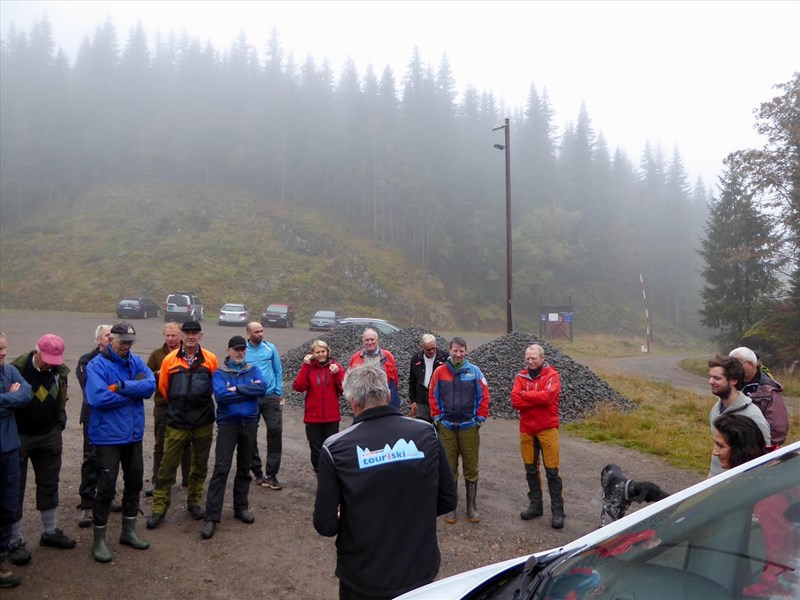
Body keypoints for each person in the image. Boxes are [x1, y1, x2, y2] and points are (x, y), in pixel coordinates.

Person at [313, 365, 457, 600]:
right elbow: (448, 498)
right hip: (419, 568)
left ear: (351, 401)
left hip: (364, 575)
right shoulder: (426, 432)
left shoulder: (336, 447)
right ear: (389, 395)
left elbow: (325, 524)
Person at [85, 322, 155, 562]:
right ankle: (100, 540)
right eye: (122, 341)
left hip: (133, 435)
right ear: (111, 340)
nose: (126, 346)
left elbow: (150, 386)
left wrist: (122, 387)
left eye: (129, 342)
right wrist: (132, 394)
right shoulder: (97, 365)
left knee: (134, 482)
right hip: (108, 437)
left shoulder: (135, 361)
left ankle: (128, 531)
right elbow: (97, 397)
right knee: (105, 488)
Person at [8, 334, 75, 566]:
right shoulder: (16, 369)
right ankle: (14, 540)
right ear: (36, 352)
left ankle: (49, 531)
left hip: (49, 435)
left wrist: (59, 423)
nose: (50, 364)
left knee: (49, 482)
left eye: (54, 360)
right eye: (46, 359)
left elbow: (62, 398)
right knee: (14, 488)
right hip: (20, 436)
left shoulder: (59, 371)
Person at [147, 320, 218, 529]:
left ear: (200, 336)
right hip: (177, 421)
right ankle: (159, 508)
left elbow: (214, 386)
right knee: (167, 465)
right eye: (187, 333)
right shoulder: (169, 361)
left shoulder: (210, 359)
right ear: (182, 335)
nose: (190, 336)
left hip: (203, 421)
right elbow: (164, 388)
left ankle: (194, 503)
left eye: (194, 333)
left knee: (199, 465)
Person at [202, 336, 266, 540]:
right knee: (221, 468)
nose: (240, 352)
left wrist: (237, 389)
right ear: (228, 350)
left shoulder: (252, 370)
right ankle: (212, 517)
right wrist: (248, 392)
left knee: (244, 467)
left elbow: (262, 388)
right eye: (236, 349)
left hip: (249, 423)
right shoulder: (220, 373)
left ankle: (241, 508)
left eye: (242, 349)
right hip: (228, 423)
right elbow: (221, 396)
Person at [429, 336, 490, 524]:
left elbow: (484, 396)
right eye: (455, 350)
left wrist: (479, 420)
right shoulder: (439, 372)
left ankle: (471, 506)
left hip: (468, 427)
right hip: (446, 427)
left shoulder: (475, 372)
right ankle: (451, 505)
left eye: (461, 351)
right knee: (449, 467)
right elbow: (432, 395)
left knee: (471, 467)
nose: (458, 354)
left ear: (466, 351)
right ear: (449, 350)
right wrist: (437, 418)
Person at [510, 344, 566, 529]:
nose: (530, 361)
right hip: (527, 429)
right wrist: (534, 398)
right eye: (527, 357)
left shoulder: (552, 376)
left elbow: (548, 398)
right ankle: (536, 506)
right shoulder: (520, 376)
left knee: (552, 471)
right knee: (530, 469)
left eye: (533, 358)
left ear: (542, 358)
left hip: (547, 429)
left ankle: (558, 511)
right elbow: (515, 400)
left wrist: (526, 395)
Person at [0, 332, 32, 589]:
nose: (3, 353)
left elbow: (26, 394)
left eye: (5, 348)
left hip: (10, 449)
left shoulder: (10, 371)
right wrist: (10, 400)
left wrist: (8, 400)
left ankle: (1, 559)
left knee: (8, 505)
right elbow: (16, 399)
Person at [145, 322, 190, 497]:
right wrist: (158, 373)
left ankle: (188, 480)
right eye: (168, 336)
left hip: (184, 406)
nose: (171, 339)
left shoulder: (188, 354)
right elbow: (145, 377)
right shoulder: (156, 355)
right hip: (163, 405)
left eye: (174, 335)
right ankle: (158, 481)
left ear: (180, 336)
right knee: (160, 444)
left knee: (187, 443)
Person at [707, 355, 770, 477]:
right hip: (715, 484)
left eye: (717, 378)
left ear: (733, 380)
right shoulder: (716, 409)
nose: (710, 381)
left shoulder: (753, 416)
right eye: (710, 377)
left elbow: (764, 459)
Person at [74, 324, 111, 528]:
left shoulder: (118, 360)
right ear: (98, 340)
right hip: (92, 415)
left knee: (110, 458)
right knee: (91, 457)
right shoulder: (85, 360)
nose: (110, 338)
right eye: (107, 335)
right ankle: (87, 503)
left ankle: (105, 497)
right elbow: (91, 387)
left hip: (112, 416)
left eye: (112, 335)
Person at [292, 340, 344, 474]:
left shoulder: (335, 367)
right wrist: (306, 366)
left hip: (331, 417)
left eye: (323, 351)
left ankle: (332, 475)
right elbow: (298, 387)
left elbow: (344, 389)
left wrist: (337, 374)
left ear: (328, 352)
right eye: (317, 352)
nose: (321, 354)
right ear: (312, 354)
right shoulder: (309, 368)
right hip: (313, 418)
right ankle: (320, 475)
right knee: (316, 450)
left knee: (332, 449)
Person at [245, 322, 284, 490]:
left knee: (275, 431)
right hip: (251, 398)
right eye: (256, 332)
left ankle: (271, 474)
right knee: (250, 434)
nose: (260, 334)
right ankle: (257, 471)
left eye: (261, 331)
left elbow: (278, 370)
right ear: (248, 333)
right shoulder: (243, 350)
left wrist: (277, 390)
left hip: (270, 397)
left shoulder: (270, 348)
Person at [729, 346, 789, 450]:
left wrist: (762, 448)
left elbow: (778, 428)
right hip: (734, 445)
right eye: (732, 364)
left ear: (751, 364)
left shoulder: (769, 390)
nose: (734, 368)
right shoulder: (733, 382)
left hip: (755, 449)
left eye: (737, 364)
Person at [348, 328, 399, 409]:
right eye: (366, 340)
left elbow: (394, 380)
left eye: (372, 339)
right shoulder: (355, 357)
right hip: (363, 401)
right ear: (363, 341)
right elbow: (350, 381)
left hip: (384, 400)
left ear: (377, 340)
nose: (369, 342)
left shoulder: (388, 356)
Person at [407, 333, 447, 422]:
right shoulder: (415, 359)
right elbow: (412, 381)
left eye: (434, 348)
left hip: (439, 402)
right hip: (421, 402)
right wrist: (413, 401)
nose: (432, 351)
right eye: (428, 349)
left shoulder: (445, 358)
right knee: (423, 428)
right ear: (422, 348)